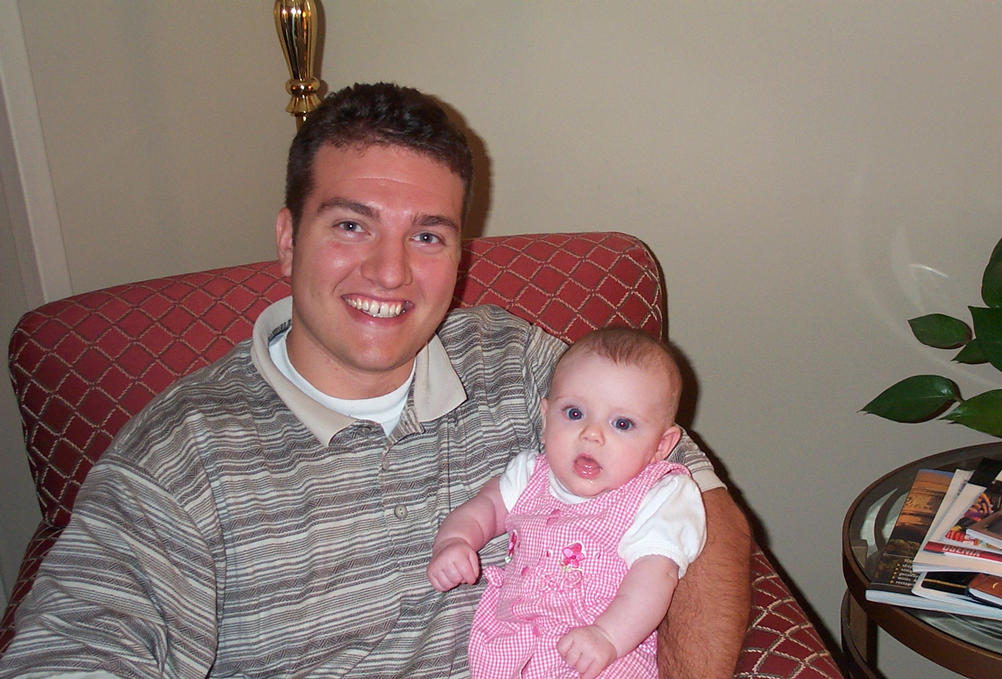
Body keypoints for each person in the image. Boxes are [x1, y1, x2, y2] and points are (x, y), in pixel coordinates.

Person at [0, 83, 750, 679]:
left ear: (458, 257)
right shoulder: (181, 456)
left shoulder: (522, 361)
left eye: (426, 235)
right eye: (352, 225)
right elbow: (79, 642)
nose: (390, 272)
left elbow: (696, 504)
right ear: (288, 240)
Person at [427, 327, 707, 679]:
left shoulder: (659, 494)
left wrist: (608, 635)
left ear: (661, 446)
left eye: (622, 423)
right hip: (515, 645)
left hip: (604, 651)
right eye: (574, 413)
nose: (592, 434)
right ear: (545, 419)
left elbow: (655, 576)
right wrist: (454, 541)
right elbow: (484, 509)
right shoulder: (529, 474)